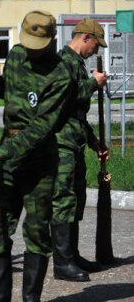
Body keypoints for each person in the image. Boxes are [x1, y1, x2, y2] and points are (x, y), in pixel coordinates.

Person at [0, 11, 72, 302]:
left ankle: (32, 300)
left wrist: (0, 153)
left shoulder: (61, 74)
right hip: (6, 159)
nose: (31, 50)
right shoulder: (16, 55)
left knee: (36, 232)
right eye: (29, 43)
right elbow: (16, 97)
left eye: (38, 45)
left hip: (38, 161)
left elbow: (41, 127)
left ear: (51, 41)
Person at [50, 19, 109, 281]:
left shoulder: (77, 63)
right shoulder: (63, 61)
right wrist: (93, 84)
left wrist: (93, 141)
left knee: (75, 198)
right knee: (63, 199)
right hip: (60, 142)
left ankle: (72, 255)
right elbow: (64, 99)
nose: (97, 51)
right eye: (96, 45)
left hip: (75, 140)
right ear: (86, 37)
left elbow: (77, 113)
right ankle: (62, 263)